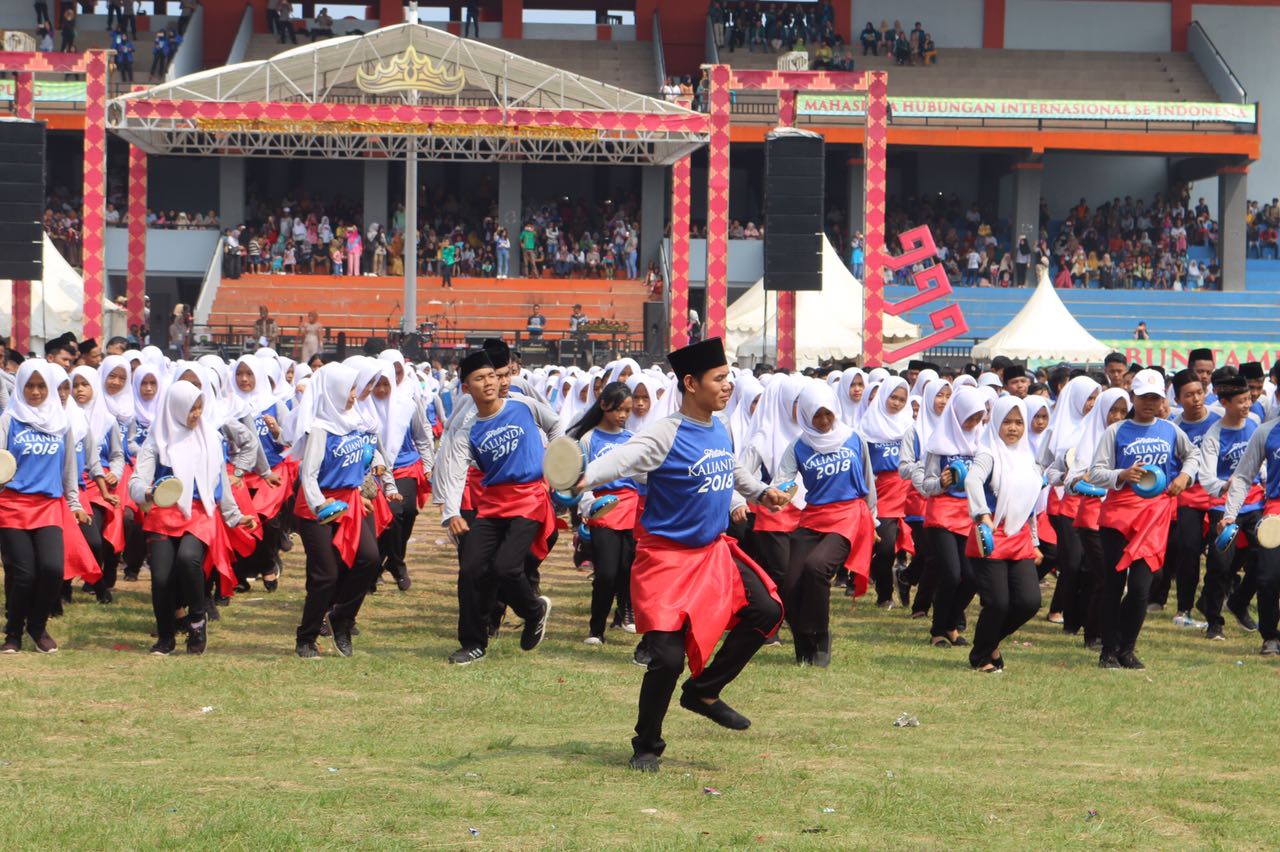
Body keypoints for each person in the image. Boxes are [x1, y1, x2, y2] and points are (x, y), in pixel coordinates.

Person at [570, 338, 789, 773]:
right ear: (691, 383)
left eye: (729, 378)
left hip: (711, 554)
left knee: (767, 610)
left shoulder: (719, 427)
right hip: (665, 561)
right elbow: (624, 458)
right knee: (667, 659)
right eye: (719, 379)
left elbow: (729, 467)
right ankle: (646, 745)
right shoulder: (664, 432)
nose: (728, 386)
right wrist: (583, 477)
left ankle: (703, 691)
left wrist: (762, 492)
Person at [437, 350, 563, 665]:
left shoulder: (524, 406)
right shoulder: (468, 429)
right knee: (470, 568)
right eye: (479, 378)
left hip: (529, 498)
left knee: (505, 567)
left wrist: (556, 459)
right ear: (466, 388)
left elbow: (557, 425)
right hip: (492, 502)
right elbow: (455, 472)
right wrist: (451, 512)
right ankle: (473, 643)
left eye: (492, 376)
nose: (489, 383)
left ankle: (533, 610)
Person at [129, 380, 256, 655]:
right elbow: (136, 481)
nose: (196, 414)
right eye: (191, 408)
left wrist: (235, 516)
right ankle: (166, 637)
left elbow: (220, 482)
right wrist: (148, 492)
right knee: (161, 578)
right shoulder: (157, 440)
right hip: (163, 514)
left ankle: (198, 620)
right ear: (175, 408)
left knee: (188, 559)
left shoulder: (211, 438)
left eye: (199, 407)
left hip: (199, 513)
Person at [1085, 369, 1198, 669]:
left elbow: (1193, 455)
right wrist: (1121, 474)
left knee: (1140, 588)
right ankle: (1108, 650)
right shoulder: (1116, 431)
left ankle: (1127, 648)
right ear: (1133, 397)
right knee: (1113, 584)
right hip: (1118, 517)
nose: (1150, 403)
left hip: (1154, 518)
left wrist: (1184, 476)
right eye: (1144, 397)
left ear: (1163, 400)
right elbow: (1096, 472)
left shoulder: (1170, 430)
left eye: (1155, 398)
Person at [291, 364, 399, 657]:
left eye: (354, 388)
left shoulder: (354, 420)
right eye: (350, 389)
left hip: (349, 502)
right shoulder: (320, 429)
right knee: (325, 575)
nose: (355, 395)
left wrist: (377, 462)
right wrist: (321, 505)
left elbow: (367, 450)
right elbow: (308, 475)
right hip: (318, 508)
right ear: (334, 391)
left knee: (369, 559)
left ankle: (342, 617)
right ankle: (306, 638)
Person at [774, 382, 876, 666]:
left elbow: (868, 480)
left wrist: (874, 518)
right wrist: (779, 493)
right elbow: (782, 480)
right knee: (790, 583)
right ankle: (802, 644)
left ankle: (820, 636)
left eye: (827, 413)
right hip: (813, 516)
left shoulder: (854, 438)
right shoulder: (798, 446)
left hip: (849, 515)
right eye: (816, 415)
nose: (823, 421)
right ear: (806, 415)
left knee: (817, 567)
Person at [0, 362, 98, 652]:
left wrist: (74, 502)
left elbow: (69, 469)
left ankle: (37, 626)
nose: (35, 392)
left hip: (49, 507)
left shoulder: (61, 422)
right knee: (25, 574)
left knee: (54, 570)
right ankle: (13, 633)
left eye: (41, 386)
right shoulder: (9, 421)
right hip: (12, 506)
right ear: (20, 387)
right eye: (29, 386)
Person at [962, 397, 1043, 672]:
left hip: (1019, 537)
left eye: (1019, 422)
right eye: (1007, 422)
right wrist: (982, 514)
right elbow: (972, 479)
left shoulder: (1027, 457)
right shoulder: (988, 453)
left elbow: (1028, 504)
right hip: (992, 535)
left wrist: (1035, 542)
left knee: (1029, 602)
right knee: (998, 603)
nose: (1013, 428)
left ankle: (988, 643)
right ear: (996, 422)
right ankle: (983, 656)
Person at [918, 386, 987, 647]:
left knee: (972, 577)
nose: (973, 423)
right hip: (942, 515)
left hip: (969, 515)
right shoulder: (939, 445)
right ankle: (938, 630)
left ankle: (950, 623)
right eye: (969, 417)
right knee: (950, 573)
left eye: (978, 418)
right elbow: (926, 485)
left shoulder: (981, 444)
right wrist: (942, 483)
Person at [571, 382, 639, 643]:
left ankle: (626, 612)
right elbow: (581, 479)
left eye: (627, 411)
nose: (623, 415)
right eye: (618, 409)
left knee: (627, 567)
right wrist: (589, 506)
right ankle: (596, 629)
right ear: (603, 405)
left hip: (631, 508)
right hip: (603, 509)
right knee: (606, 572)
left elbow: (641, 475)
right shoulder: (588, 439)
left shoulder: (632, 439)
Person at [1199, 374, 1263, 641]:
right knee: (1220, 564)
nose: (1247, 405)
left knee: (1264, 558)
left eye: (1248, 399)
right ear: (1224, 403)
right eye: (1241, 401)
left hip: (1255, 502)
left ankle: (1239, 601)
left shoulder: (1256, 423)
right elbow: (1206, 477)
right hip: (1223, 506)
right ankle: (1214, 620)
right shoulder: (1214, 434)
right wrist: (1224, 485)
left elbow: (1262, 461)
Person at [372, 351, 434, 592]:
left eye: (397, 373)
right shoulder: (367, 403)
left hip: (405, 465)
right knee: (390, 514)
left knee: (406, 512)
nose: (393, 378)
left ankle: (391, 561)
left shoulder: (409, 402)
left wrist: (428, 464)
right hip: (377, 471)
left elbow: (422, 435)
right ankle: (392, 564)